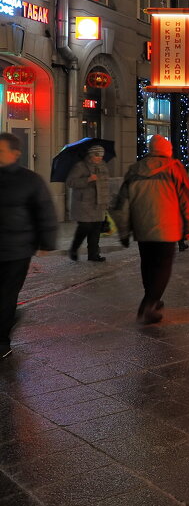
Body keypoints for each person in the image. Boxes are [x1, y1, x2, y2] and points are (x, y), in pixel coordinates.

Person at [111, 135, 189, 325]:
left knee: (148, 265)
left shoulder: (135, 170)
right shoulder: (174, 168)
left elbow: (121, 205)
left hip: (142, 228)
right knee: (163, 266)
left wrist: (124, 232)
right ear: (168, 150)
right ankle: (149, 304)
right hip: (167, 228)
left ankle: (152, 300)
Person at [0, 132, 58, 357]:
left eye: (1, 151)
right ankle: (8, 318)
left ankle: (2, 342)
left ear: (16, 154)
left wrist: (47, 241)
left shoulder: (29, 180)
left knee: (6, 295)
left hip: (17, 250)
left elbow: (45, 211)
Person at [65, 144, 111, 262]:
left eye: (101, 155)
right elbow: (70, 182)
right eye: (97, 155)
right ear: (91, 155)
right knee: (85, 227)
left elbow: (106, 183)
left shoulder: (103, 166)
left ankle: (93, 254)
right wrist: (88, 180)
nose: (99, 158)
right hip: (83, 203)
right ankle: (74, 249)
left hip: (98, 202)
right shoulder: (80, 166)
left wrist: (106, 201)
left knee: (96, 229)